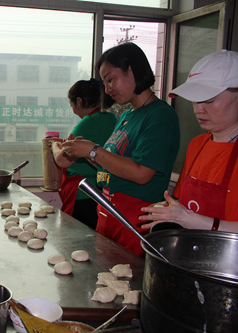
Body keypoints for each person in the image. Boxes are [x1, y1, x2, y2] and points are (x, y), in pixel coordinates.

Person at [60, 42, 180, 256]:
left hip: (135, 219)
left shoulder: (159, 115)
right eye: (104, 82)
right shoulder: (126, 116)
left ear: (132, 70)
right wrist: (85, 152)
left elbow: (141, 173)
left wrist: (92, 150)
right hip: (109, 212)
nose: (107, 89)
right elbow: (114, 164)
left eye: (110, 79)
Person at [139, 50, 238, 233]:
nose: (198, 109)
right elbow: (184, 203)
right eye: (194, 100)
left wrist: (196, 222)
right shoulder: (198, 145)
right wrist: (170, 211)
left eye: (208, 100)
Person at [51, 78, 116, 229]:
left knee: (79, 241)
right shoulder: (112, 119)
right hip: (102, 193)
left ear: (79, 101)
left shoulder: (88, 122)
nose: (73, 110)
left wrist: (55, 145)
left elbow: (63, 160)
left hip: (83, 194)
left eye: (71, 105)